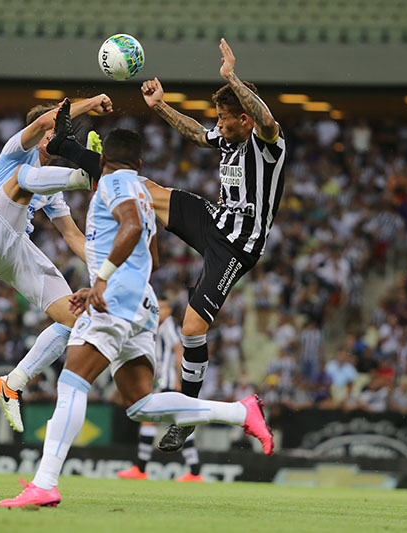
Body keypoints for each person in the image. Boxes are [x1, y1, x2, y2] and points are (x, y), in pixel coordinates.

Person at [0, 129, 273, 508]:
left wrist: (102, 281)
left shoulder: (112, 185)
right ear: (140, 162)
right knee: (139, 403)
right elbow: (152, 258)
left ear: (104, 160)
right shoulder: (144, 192)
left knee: (72, 382)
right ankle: (240, 411)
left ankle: (45, 483)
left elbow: (128, 227)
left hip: (116, 299)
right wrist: (102, 280)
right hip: (141, 301)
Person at [44, 39, 287, 452]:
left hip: (238, 246)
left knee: (193, 328)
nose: (219, 124)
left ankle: (187, 415)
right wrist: (160, 106)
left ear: (244, 119)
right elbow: (196, 134)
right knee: (141, 188)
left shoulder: (267, 143)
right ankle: (63, 145)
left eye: (225, 119)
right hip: (214, 219)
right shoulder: (228, 137)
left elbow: (266, 118)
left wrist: (231, 77)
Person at [0, 94, 113, 433]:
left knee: (76, 319)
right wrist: (93, 101)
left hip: (13, 248)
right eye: (56, 133)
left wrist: (106, 270)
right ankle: (87, 177)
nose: (57, 142)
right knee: (23, 176)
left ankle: (13, 383)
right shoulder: (17, 150)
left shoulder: (51, 185)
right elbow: (43, 123)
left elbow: (73, 237)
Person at [115, 297, 203, 482]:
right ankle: (194, 471)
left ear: (169, 310)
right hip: (164, 382)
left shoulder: (168, 326)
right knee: (180, 424)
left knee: (151, 421)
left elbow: (179, 351)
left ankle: (141, 468)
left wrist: (180, 380)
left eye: (162, 307)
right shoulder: (160, 327)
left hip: (170, 382)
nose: (158, 310)